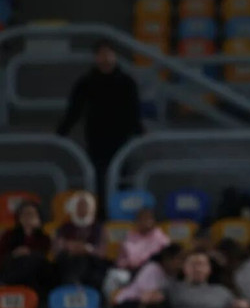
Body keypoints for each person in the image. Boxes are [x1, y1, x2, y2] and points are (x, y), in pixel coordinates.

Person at [57, 39, 144, 213]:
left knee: (123, 177)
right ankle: (99, 215)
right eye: (101, 54)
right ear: (96, 57)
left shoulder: (127, 82)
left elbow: (134, 111)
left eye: (109, 54)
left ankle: (122, 216)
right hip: (96, 140)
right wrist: (61, 132)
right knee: (98, 180)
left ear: (115, 56)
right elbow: (74, 110)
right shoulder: (86, 83)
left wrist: (139, 132)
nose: (105, 58)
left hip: (121, 139)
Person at [157, 250, 250, 308]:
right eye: (193, 264)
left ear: (209, 269)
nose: (198, 269)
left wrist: (244, 306)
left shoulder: (221, 291)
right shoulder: (172, 288)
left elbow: (240, 306)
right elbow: (153, 298)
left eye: (202, 265)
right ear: (184, 267)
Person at [54, 190, 109, 288]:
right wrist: (69, 246)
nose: (82, 208)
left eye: (85, 205)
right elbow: (57, 248)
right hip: (69, 260)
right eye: (79, 205)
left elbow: (102, 252)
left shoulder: (99, 228)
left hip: (92, 263)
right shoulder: (64, 227)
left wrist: (87, 249)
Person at [113, 244, 184, 308]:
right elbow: (147, 299)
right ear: (167, 259)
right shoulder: (152, 269)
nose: (181, 263)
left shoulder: (176, 275)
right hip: (129, 303)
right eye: (179, 259)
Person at [0, 201, 53, 294]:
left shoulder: (44, 237)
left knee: (35, 263)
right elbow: (2, 254)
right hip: (14, 264)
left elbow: (43, 255)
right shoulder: (9, 235)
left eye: (31, 214)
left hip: (35, 270)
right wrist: (14, 253)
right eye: (24, 214)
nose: (27, 217)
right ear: (19, 217)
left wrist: (29, 252)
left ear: (38, 218)